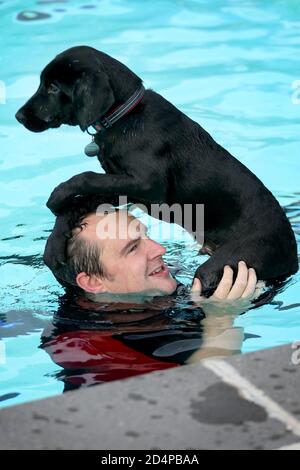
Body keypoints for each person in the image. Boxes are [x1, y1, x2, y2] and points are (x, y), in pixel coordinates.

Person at [40, 196, 265, 392]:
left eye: (145, 235)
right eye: (132, 248)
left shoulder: (164, 277)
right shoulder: (94, 349)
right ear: (92, 282)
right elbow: (213, 389)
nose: (160, 249)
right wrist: (222, 320)